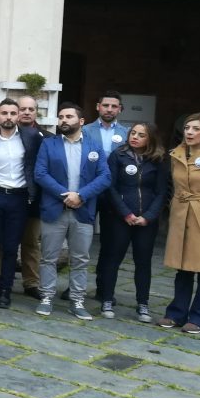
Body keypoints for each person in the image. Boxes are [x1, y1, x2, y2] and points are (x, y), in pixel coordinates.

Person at [34, 103, 111, 320]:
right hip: (54, 209)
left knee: (80, 258)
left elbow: (105, 177)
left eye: (68, 116)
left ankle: (77, 300)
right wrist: (65, 194)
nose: (63, 120)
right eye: (60, 117)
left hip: (83, 210)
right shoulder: (49, 144)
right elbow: (40, 174)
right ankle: (47, 296)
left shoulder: (94, 146)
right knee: (49, 257)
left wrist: (81, 195)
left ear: (81, 121)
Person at [99, 123, 168, 322]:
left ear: (150, 139)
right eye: (133, 133)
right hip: (121, 218)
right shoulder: (117, 156)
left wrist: (148, 216)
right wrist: (125, 213)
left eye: (141, 135)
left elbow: (162, 191)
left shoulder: (158, 160)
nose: (135, 137)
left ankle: (143, 303)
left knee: (143, 262)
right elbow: (110, 187)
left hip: (146, 219)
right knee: (113, 259)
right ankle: (107, 299)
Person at [0, 98, 41, 308]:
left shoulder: (31, 137)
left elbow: (36, 166)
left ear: (18, 116)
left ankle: (6, 291)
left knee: (12, 247)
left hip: (19, 197)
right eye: (4, 113)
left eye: (12, 113)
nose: (8, 117)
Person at [159, 113, 200, 334]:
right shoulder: (176, 154)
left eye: (195, 129)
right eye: (187, 128)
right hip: (181, 216)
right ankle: (176, 313)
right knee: (183, 269)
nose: (189, 132)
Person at [84, 91, 128, 302]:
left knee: (110, 243)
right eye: (106, 105)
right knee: (81, 240)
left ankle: (104, 287)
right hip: (89, 191)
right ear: (98, 107)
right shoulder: (85, 130)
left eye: (114, 106)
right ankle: (76, 287)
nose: (109, 109)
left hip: (114, 194)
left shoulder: (128, 134)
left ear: (119, 109)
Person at [16, 95, 52, 298]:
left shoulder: (46, 138)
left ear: (36, 111)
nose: (27, 112)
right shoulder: (6, 134)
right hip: (9, 195)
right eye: (23, 109)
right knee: (5, 242)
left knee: (31, 242)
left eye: (31, 109)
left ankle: (31, 283)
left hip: (35, 199)